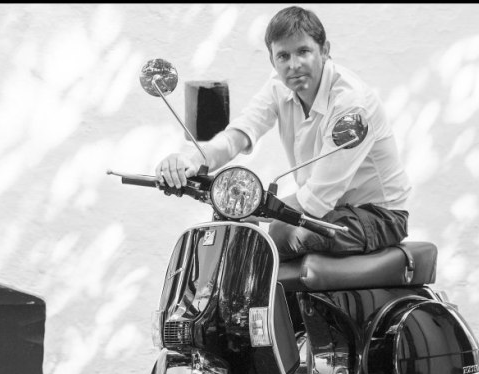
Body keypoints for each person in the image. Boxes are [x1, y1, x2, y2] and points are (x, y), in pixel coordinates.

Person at [155, 6, 411, 261]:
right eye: (283, 56)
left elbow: (317, 199)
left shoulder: (350, 106)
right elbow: (239, 135)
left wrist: (252, 207)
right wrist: (188, 161)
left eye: (303, 51)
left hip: (379, 215)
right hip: (334, 210)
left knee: (279, 234)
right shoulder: (278, 86)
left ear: (324, 51)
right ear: (273, 60)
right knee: (247, 236)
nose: (294, 65)